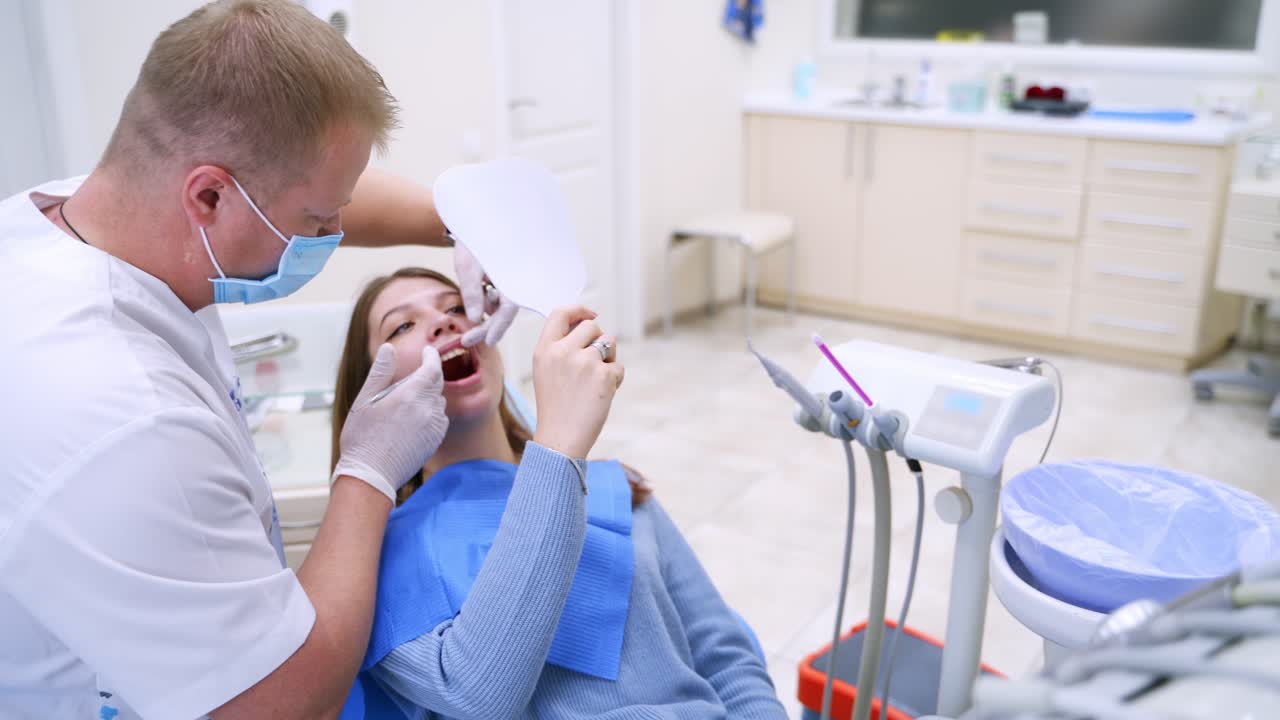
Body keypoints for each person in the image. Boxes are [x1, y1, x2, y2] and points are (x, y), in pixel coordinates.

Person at [0, 2, 525, 718]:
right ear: (208, 196)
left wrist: (462, 222)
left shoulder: (88, 207)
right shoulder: (126, 418)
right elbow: (280, 704)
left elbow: (306, 183)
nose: (334, 235)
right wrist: (368, 472)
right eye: (318, 224)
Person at [330, 267, 787, 719]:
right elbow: (477, 696)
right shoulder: (378, 559)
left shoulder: (616, 490)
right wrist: (557, 449)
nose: (444, 322)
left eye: (456, 307)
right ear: (372, 388)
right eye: (404, 325)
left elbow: (726, 655)